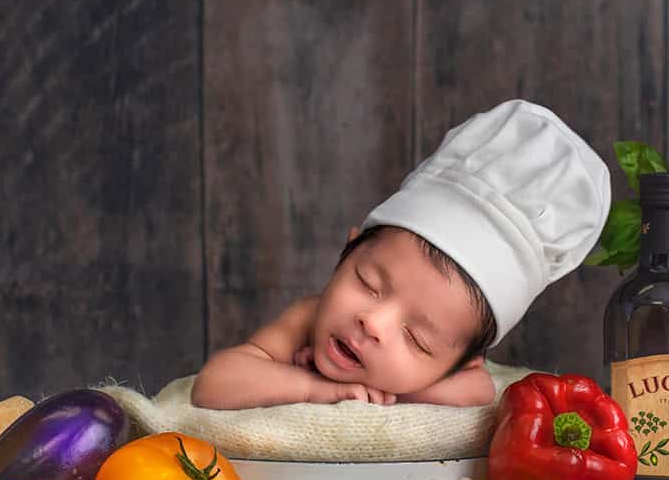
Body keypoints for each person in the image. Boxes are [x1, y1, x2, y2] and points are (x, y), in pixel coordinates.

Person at [191, 99, 611, 409]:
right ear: (346, 250)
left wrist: (399, 388)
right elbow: (214, 383)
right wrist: (315, 388)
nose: (373, 322)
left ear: (465, 362)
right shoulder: (307, 318)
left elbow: (480, 390)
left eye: (416, 340)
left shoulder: (465, 374)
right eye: (368, 284)